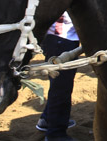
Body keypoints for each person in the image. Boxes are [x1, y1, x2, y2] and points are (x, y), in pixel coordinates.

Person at [36, 12, 80, 141]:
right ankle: (56, 134)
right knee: (61, 88)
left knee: (59, 85)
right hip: (61, 38)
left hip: (61, 38)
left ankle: (46, 119)